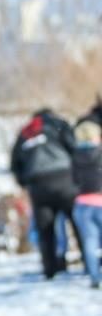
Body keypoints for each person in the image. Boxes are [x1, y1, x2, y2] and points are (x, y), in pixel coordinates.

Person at [11, 108, 85, 279]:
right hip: (64, 179)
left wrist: (26, 182)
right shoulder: (57, 124)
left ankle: (49, 269)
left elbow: (15, 164)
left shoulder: (25, 132)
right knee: (77, 223)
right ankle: (88, 264)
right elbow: (73, 147)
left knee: (45, 229)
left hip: (38, 185)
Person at [71, 113, 102, 289]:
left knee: (90, 242)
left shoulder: (75, 156)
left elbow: (74, 180)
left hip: (83, 203)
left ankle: (95, 278)